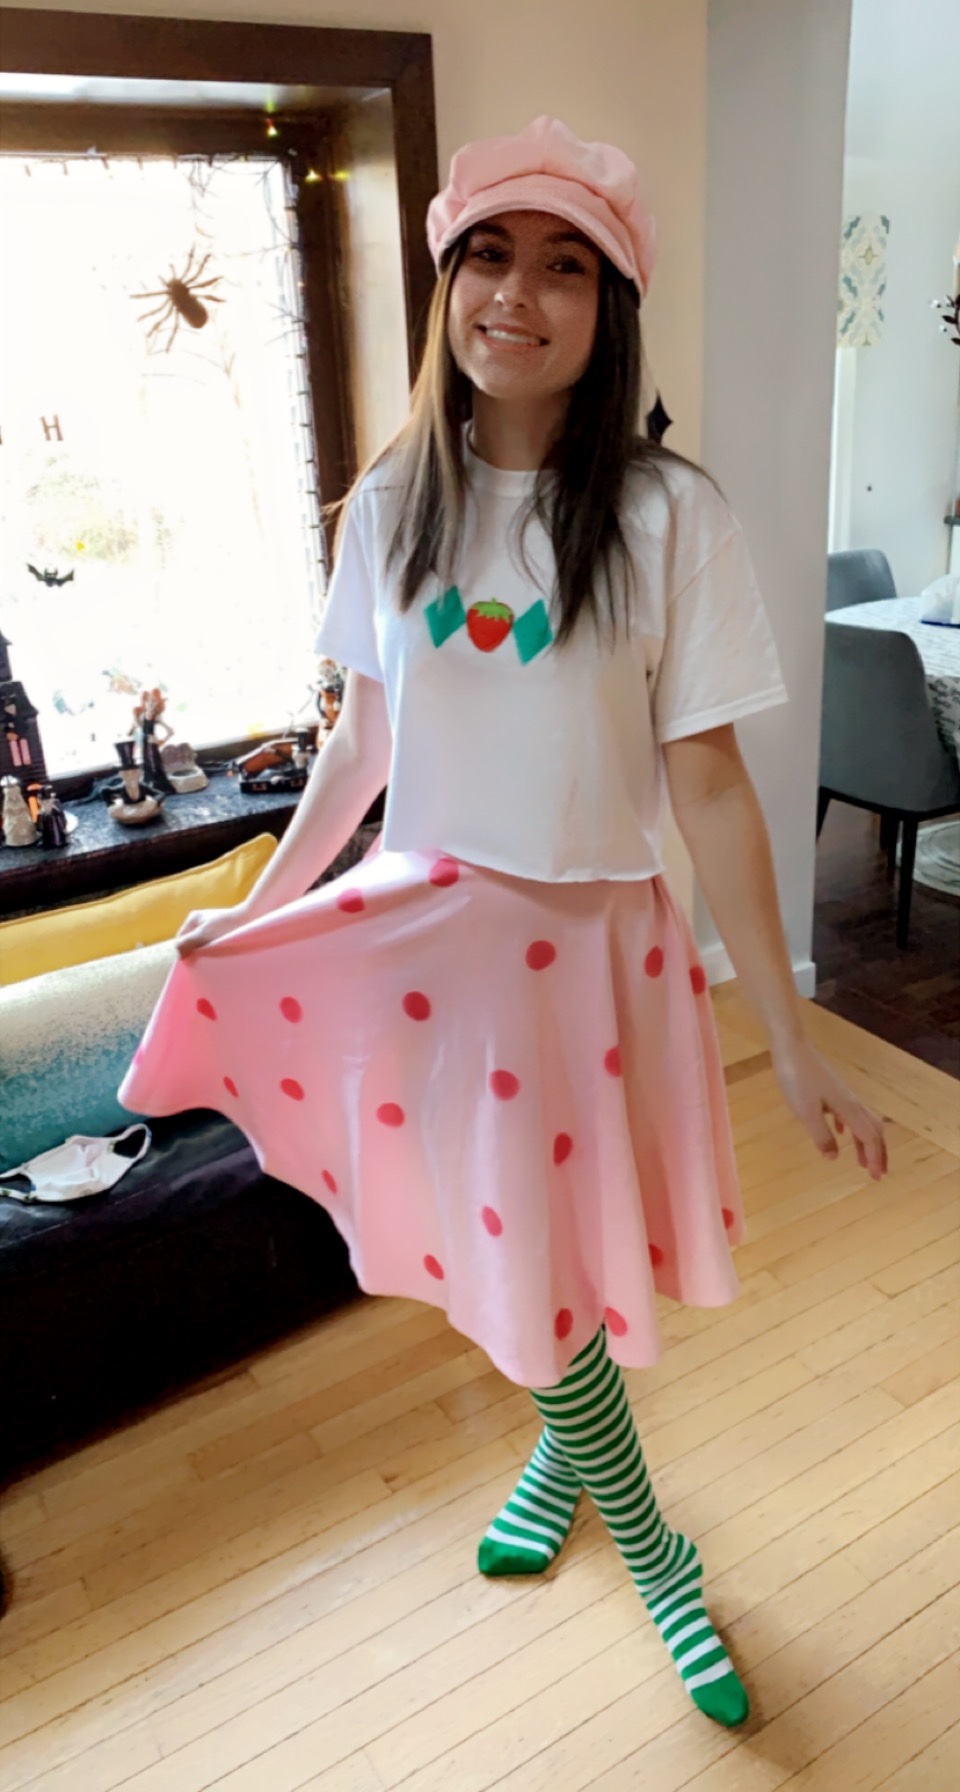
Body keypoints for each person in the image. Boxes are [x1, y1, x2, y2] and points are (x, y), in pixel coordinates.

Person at [119, 116, 888, 1731]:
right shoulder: (388, 506)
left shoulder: (671, 518)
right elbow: (360, 750)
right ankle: (637, 1520)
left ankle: (606, 1501)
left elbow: (713, 789)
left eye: (564, 267)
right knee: (508, 1257)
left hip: (593, 963)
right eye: (489, 254)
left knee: (539, 1260)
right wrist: (256, 908)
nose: (517, 295)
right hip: (428, 953)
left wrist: (794, 1037)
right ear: (447, 282)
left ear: (612, 308)